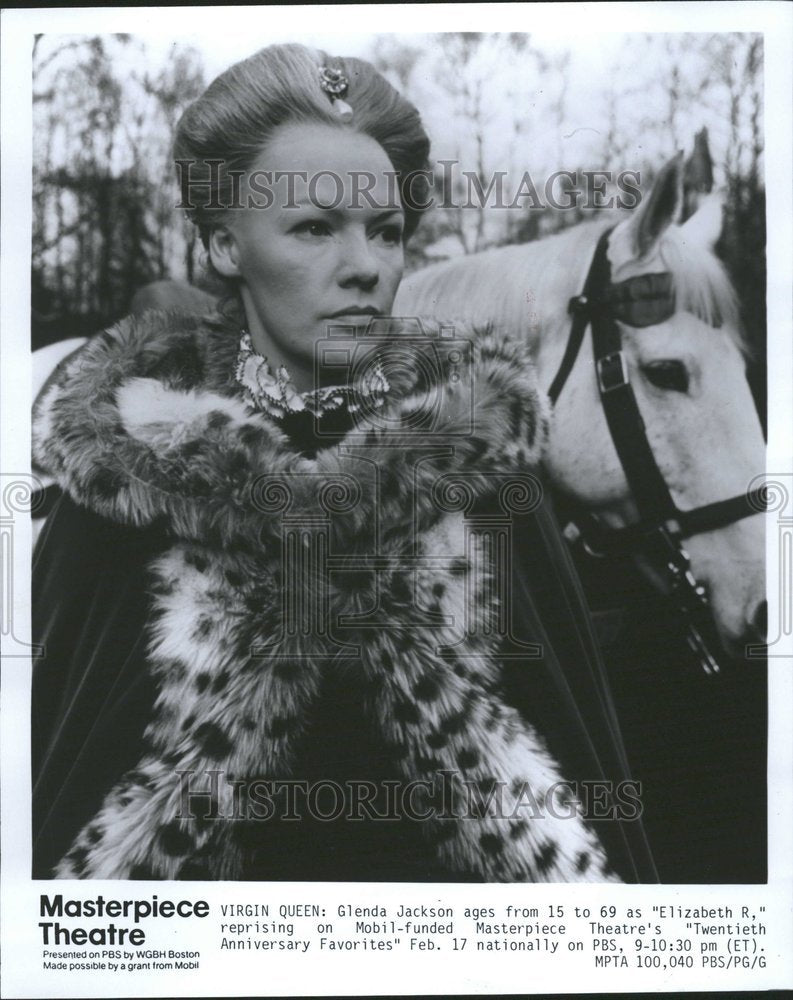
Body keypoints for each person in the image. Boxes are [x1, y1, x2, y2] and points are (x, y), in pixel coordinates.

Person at [31, 43, 657, 882]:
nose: (366, 265)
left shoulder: (486, 469)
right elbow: (60, 776)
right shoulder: (128, 477)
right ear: (223, 248)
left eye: (388, 231)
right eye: (315, 228)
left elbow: (584, 762)